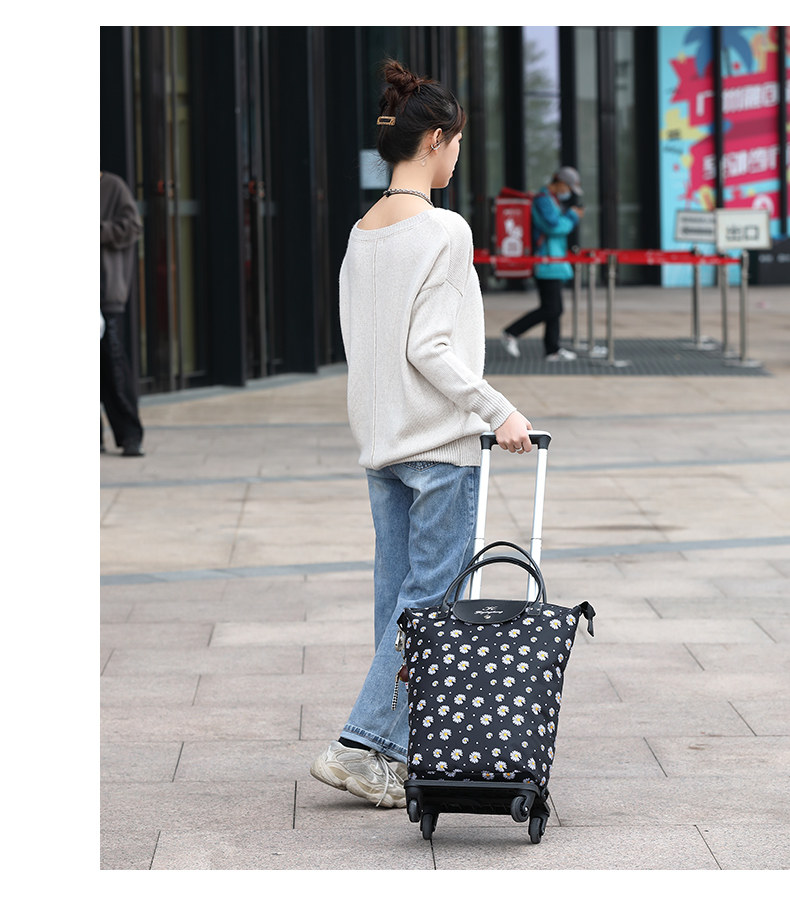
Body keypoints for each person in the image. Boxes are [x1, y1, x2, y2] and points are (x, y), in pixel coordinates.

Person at [309, 60, 534, 808]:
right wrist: (497, 410)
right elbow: (430, 348)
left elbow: (367, 344)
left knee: (397, 602)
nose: (458, 154)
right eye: (457, 141)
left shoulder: (362, 231)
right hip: (437, 446)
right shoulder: (443, 229)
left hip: (382, 444)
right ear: (435, 138)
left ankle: (394, 749)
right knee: (431, 601)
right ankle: (360, 743)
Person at [500, 166, 585, 362]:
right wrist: (572, 216)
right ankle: (511, 332)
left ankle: (552, 350)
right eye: (568, 188)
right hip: (546, 262)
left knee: (554, 308)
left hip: (554, 262)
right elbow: (553, 227)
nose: (568, 192)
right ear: (560, 182)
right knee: (552, 308)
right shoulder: (543, 200)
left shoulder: (551, 199)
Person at [101, 171, 145, 456]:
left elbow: (133, 226)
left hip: (106, 294)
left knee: (114, 366)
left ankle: (129, 435)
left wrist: (99, 230)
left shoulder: (112, 186)